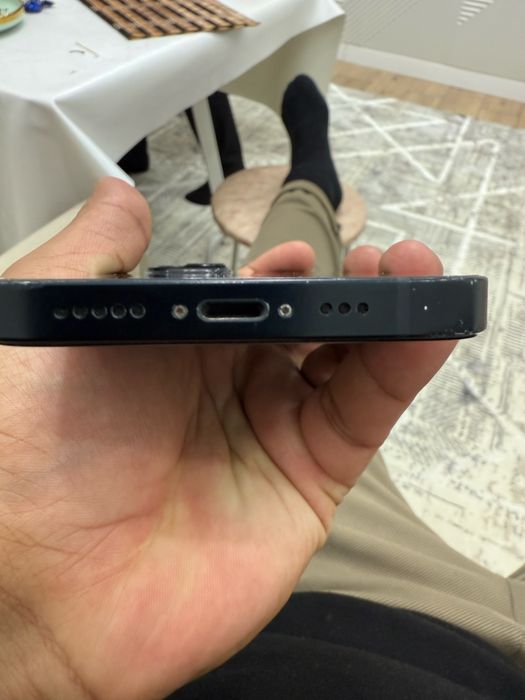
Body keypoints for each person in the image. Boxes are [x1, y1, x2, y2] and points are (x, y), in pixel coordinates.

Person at [0, 76, 522, 700]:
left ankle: (309, 186)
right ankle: (312, 181)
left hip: (260, 553)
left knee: (275, 296)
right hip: (451, 624)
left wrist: (24, 648)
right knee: (292, 320)